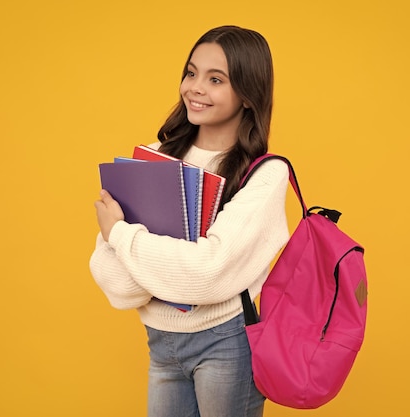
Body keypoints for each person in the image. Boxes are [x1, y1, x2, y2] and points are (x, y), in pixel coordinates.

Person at [90, 25, 289, 417]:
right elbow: (111, 280)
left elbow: (206, 273)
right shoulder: (150, 158)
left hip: (226, 345)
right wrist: (168, 270)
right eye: (191, 72)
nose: (195, 88)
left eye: (216, 79)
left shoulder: (264, 175)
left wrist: (120, 234)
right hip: (160, 343)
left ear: (248, 95)